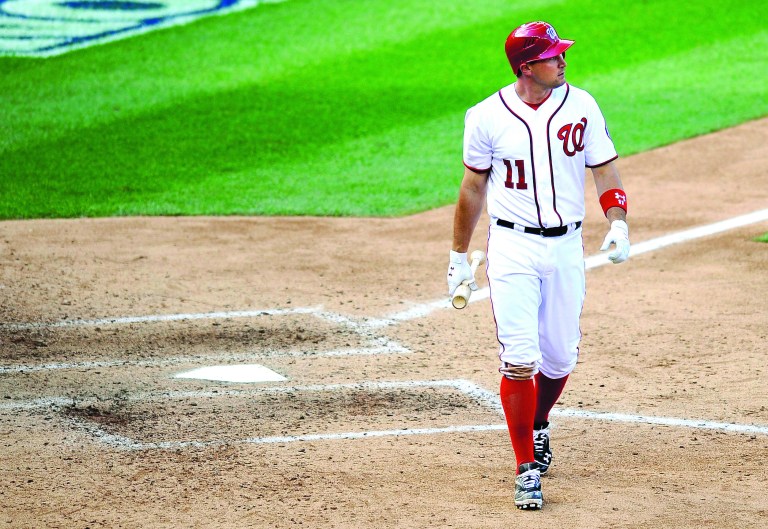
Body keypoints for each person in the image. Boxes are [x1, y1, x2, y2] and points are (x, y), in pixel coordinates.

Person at [446, 21, 630, 510]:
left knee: (561, 357)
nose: (563, 61)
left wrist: (618, 220)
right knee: (520, 357)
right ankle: (526, 466)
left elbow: (604, 165)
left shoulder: (582, 104)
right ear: (526, 66)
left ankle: (539, 420)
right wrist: (457, 257)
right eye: (552, 56)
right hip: (512, 248)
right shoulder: (485, 116)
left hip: (567, 247)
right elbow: (472, 188)